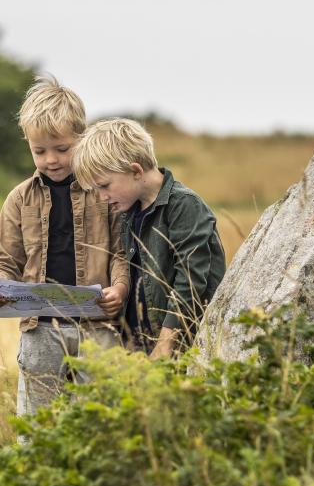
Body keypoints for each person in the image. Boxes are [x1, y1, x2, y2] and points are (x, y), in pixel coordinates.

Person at [0, 76, 129, 417]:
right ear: (28, 145)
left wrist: (119, 288)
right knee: (37, 425)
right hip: (40, 328)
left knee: (97, 420)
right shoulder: (19, 200)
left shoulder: (104, 193)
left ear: (82, 137)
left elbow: (122, 252)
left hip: (98, 327)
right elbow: (5, 260)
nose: (51, 159)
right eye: (39, 151)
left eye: (62, 148)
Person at [71, 118, 225, 359]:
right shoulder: (127, 212)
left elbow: (191, 281)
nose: (102, 197)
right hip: (139, 347)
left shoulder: (183, 206)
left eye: (104, 186)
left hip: (181, 346)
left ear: (135, 171)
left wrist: (165, 345)